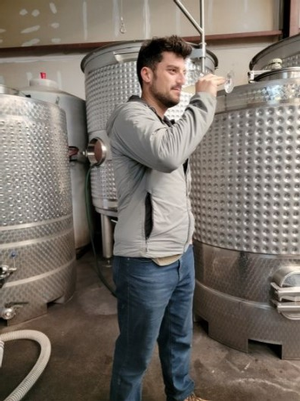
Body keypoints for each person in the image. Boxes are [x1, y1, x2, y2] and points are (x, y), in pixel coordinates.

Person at [106, 35, 225, 401]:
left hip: (180, 255)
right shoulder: (130, 117)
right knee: (135, 357)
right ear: (146, 74)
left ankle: (182, 395)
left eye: (183, 71)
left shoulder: (165, 121)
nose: (181, 79)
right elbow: (168, 155)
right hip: (144, 264)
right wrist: (203, 98)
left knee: (178, 341)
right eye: (172, 70)